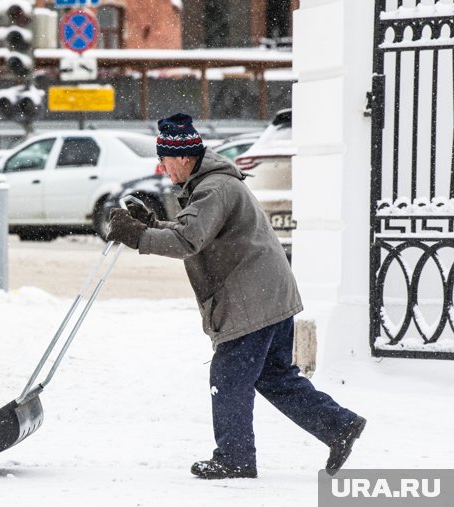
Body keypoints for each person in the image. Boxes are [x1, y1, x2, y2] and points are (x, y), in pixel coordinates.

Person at [106, 113, 366, 480]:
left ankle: (235, 457)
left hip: (253, 299)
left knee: (228, 376)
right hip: (270, 294)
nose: (162, 169)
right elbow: (194, 231)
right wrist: (151, 225)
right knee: (275, 376)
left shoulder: (214, 188)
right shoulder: (212, 184)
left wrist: (137, 237)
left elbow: (187, 241)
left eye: (164, 161)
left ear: (182, 158)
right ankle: (338, 425)